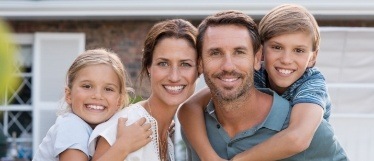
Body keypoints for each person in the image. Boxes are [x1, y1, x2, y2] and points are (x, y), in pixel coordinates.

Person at [181, 10, 348, 161]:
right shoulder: (199, 127)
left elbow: (298, 138)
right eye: (276, 47)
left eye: (239, 52)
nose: (286, 59)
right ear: (261, 55)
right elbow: (189, 107)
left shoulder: (311, 89)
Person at [89, 19, 200, 161]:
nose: (174, 76)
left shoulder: (167, 134)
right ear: (149, 67)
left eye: (185, 64)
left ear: (199, 69)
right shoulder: (128, 123)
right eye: (163, 63)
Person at [32, 48, 151, 161]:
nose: (97, 95)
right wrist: (123, 146)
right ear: (69, 95)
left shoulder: (103, 130)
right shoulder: (71, 126)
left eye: (108, 89)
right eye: (87, 86)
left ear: (119, 100)